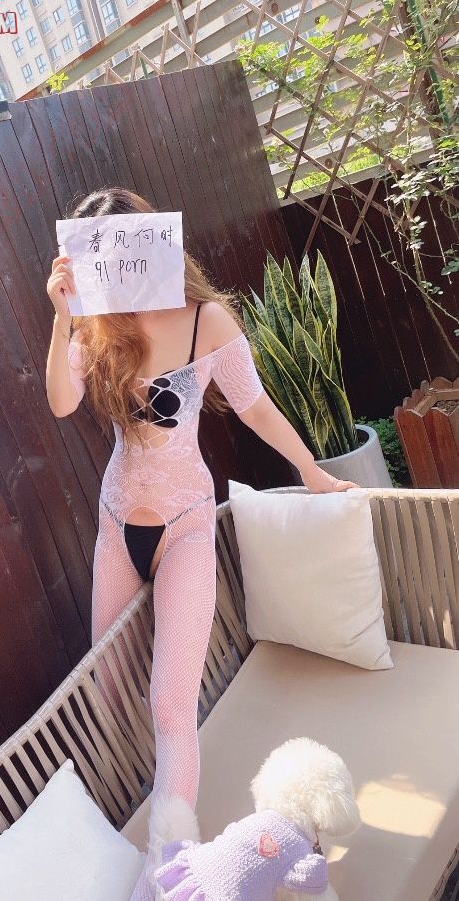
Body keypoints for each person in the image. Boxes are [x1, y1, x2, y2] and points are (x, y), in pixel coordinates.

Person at [45, 188, 357, 900]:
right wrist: (62, 317)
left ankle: (166, 872)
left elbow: (254, 405)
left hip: (186, 522)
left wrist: (310, 470)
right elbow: (63, 401)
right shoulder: (93, 324)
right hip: (117, 525)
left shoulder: (205, 320)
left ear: (152, 244)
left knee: (170, 706)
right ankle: (125, 808)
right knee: (108, 684)